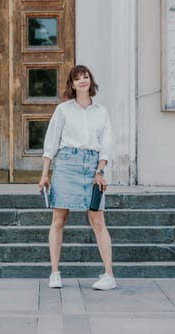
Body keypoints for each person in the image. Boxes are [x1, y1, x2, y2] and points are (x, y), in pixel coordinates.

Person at [38, 65, 116, 291]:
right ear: (71, 84)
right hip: (66, 165)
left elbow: (106, 145)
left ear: (91, 81)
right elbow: (50, 144)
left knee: (98, 220)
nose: (83, 80)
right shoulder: (63, 110)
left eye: (86, 76)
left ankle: (109, 275)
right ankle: (54, 273)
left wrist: (100, 171)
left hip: (92, 166)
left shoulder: (101, 111)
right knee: (58, 219)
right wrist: (45, 174)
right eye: (78, 78)